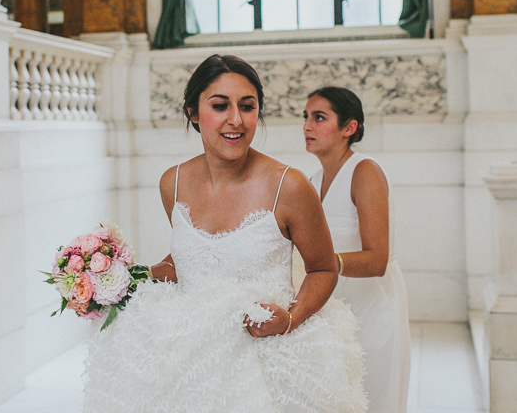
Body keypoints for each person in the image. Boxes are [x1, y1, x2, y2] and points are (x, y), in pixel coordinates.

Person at [82, 55, 367, 413]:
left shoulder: (289, 186)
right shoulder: (172, 182)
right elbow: (193, 258)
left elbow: (323, 268)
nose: (236, 120)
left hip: (263, 358)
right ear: (194, 113)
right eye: (220, 106)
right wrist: (120, 276)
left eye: (247, 107)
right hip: (188, 357)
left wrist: (290, 318)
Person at [302, 86, 411, 413]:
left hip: (373, 309)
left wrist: (323, 264)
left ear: (349, 128)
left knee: (371, 400)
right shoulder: (312, 179)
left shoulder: (365, 171)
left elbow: (377, 259)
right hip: (335, 307)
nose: (307, 126)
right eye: (305, 117)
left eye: (319, 117)